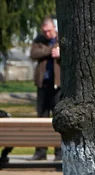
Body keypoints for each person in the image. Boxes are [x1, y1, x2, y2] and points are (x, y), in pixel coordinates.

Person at [30, 16, 61, 161]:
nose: (47, 34)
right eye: (44, 31)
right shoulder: (39, 40)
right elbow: (34, 54)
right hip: (43, 84)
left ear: (54, 28)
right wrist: (51, 50)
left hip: (57, 85)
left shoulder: (62, 39)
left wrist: (60, 54)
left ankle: (59, 151)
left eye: (49, 31)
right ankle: (40, 151)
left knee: (59, 117)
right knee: (41, 118)